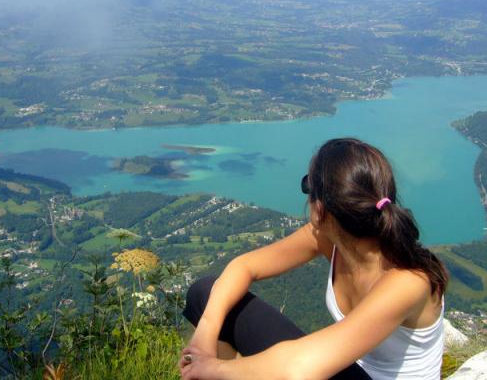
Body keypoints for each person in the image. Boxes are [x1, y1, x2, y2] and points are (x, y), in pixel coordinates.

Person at [180, 138, 448, 380]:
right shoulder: (329, 238)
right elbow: (244, 266)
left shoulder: (408, 281)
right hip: (343, 369)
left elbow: (299, 368)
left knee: (296, 364)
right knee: (204, 294)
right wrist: (206, 331)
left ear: (319, 209)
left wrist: (213, 369)